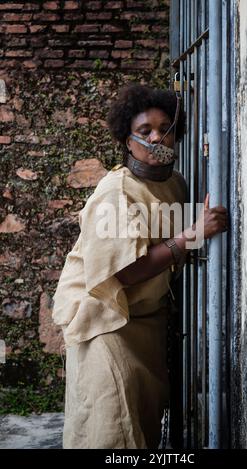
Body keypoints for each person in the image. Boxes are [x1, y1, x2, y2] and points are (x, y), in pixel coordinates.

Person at [52, 83, 228, 449]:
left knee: (141, 428)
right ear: (127, 140)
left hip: (143, 323)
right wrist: (193, 235)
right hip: (104, 320)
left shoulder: (176, 184)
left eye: (165, 128)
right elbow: (124, 272)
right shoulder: (115, 191)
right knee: (110, 429)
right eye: (145, 131)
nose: (157, 137)